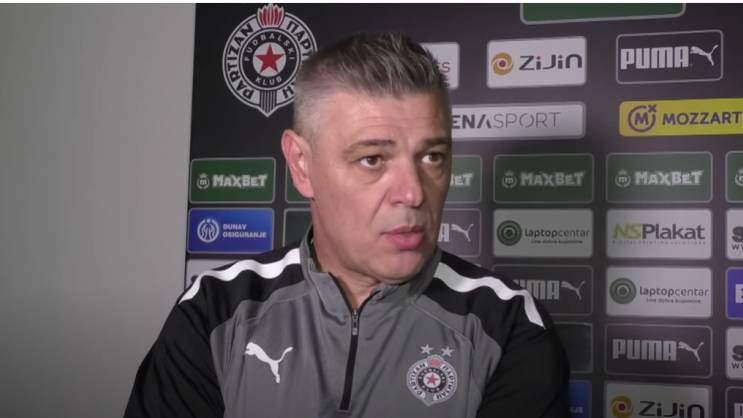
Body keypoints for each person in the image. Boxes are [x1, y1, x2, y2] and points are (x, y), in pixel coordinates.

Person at [124, 32, 569, 418]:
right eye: (373, 159)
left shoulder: (508, 325)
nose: (413, 193)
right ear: (302, 165)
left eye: (432, 156)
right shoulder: (215, 312)